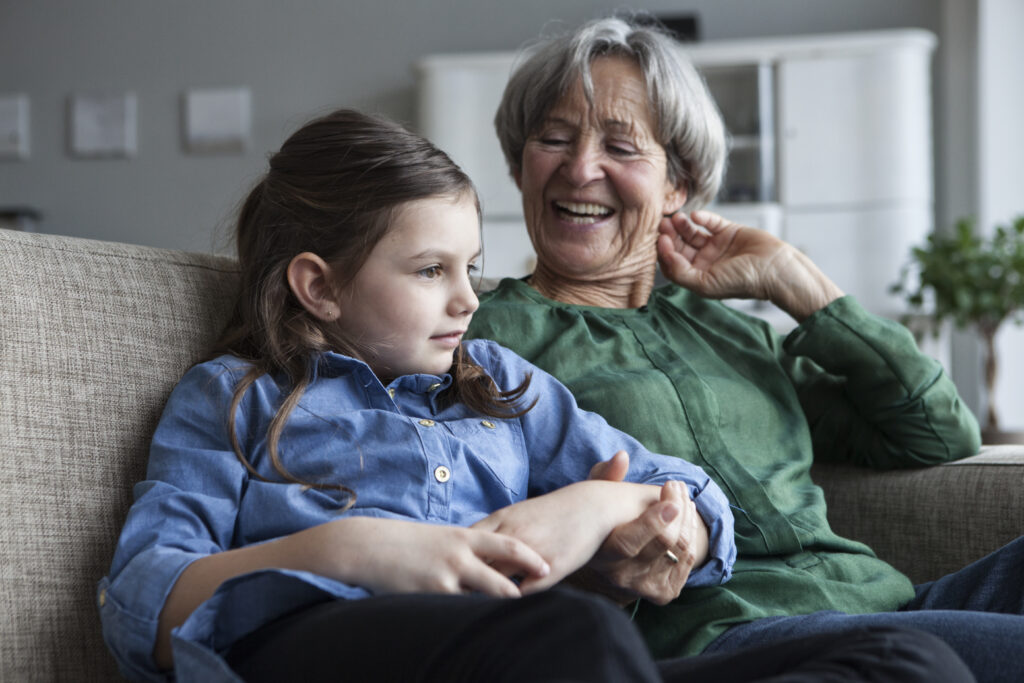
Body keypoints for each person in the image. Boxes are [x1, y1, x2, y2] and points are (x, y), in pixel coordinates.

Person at [96, 108, 974, 683]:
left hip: (551, 658)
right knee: (574, 638)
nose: (468, 297)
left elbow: (694, 502)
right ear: (319, 287)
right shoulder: (235, 396)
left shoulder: (500, 384)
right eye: (431, 270)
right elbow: (144, 596)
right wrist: (346, 548)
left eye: (470, 267)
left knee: (909, 654)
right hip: (327, 646)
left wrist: (609, 501)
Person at [467, 14, 1024, 683]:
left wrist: (799, 282)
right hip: (730, 638)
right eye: (553, 138)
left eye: (621, 146)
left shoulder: (731, 330)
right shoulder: (482, 337)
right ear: (522, 164)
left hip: (887, 605)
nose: (581, 168)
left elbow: (935, 432)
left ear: (678, 182)